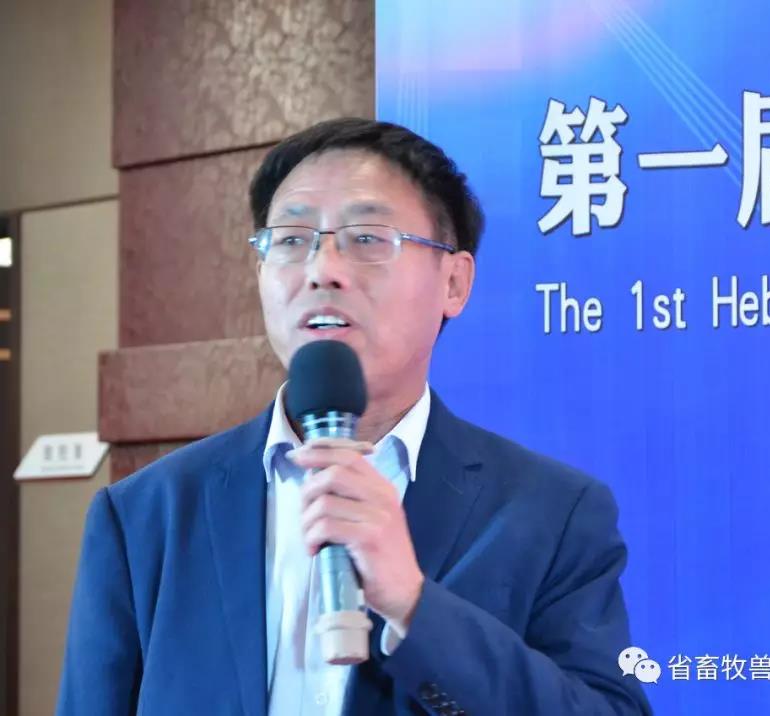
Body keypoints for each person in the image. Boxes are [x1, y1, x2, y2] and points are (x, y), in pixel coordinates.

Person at [57, 118, 651, 715]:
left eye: (367, 237)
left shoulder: (551, 513)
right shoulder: (144, 516)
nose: (322, 269)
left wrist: (416, 607)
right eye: (291, 240)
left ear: (454, 282)